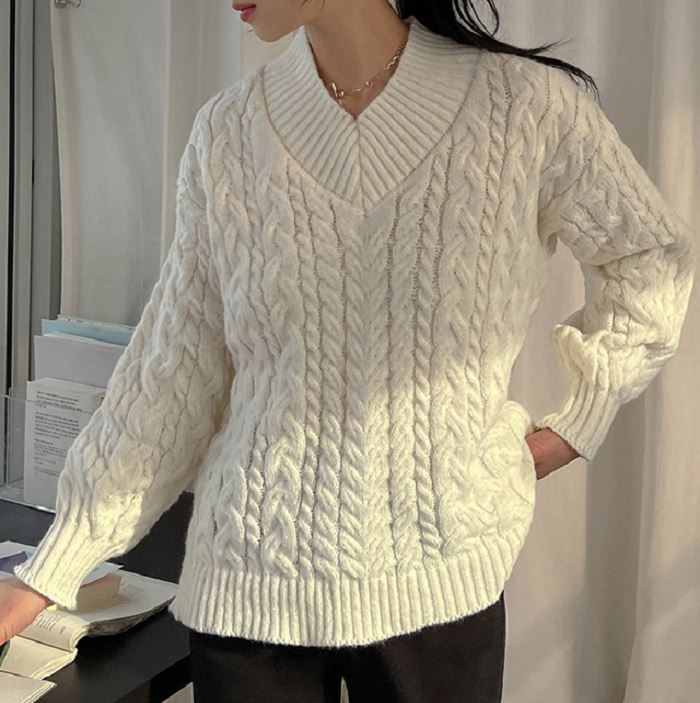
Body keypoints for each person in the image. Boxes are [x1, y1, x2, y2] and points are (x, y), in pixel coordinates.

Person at [0, 0, 694, 701]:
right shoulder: (228, 134)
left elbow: (651, 260)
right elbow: (173, 372)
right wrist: (49, 570)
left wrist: (572, 426)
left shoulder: (526, 110)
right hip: (252, 583)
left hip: (440, 581)